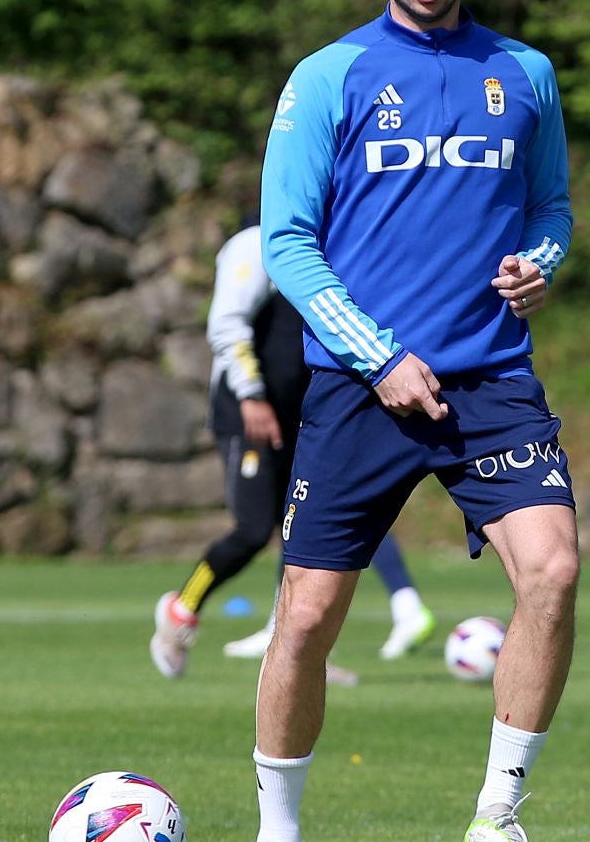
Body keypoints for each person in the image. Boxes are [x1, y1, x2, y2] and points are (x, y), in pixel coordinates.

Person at [218, 0, 576, 842]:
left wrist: (538, 267)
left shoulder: (527, 73)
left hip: (490, 380)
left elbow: (551, 211)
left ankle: (498, 810)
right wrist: (377, 357)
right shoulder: (328, 75)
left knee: (552, 573)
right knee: (308, 621)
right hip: (355, 390)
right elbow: (288, 243)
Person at [148, 219, 437, 681]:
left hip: (310, 416)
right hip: (252, 413)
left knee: (304, 529)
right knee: (253, 528)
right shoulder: (255, 244)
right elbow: (227, 324)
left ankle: (300, 657)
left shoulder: (341, 239)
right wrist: (252, 396)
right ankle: (182, 609)